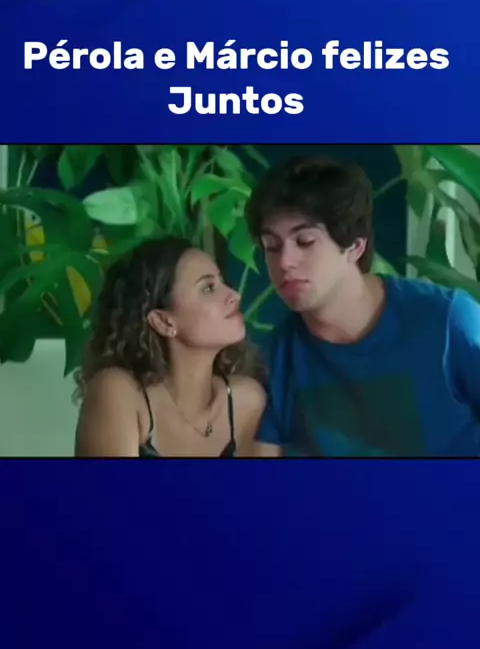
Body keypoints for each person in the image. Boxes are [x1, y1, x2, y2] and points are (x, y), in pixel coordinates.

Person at [245, 154, 480, 457]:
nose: (284, 262)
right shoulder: (276, 360)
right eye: (272, 247)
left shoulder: (448, 321)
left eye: (305, 241)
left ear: (355, 247)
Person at [74, 237, 267, 457]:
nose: (235, 296)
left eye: (222, 282)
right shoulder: (118, 393)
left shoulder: (248, 402)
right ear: (164, 322)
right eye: (208, 288)